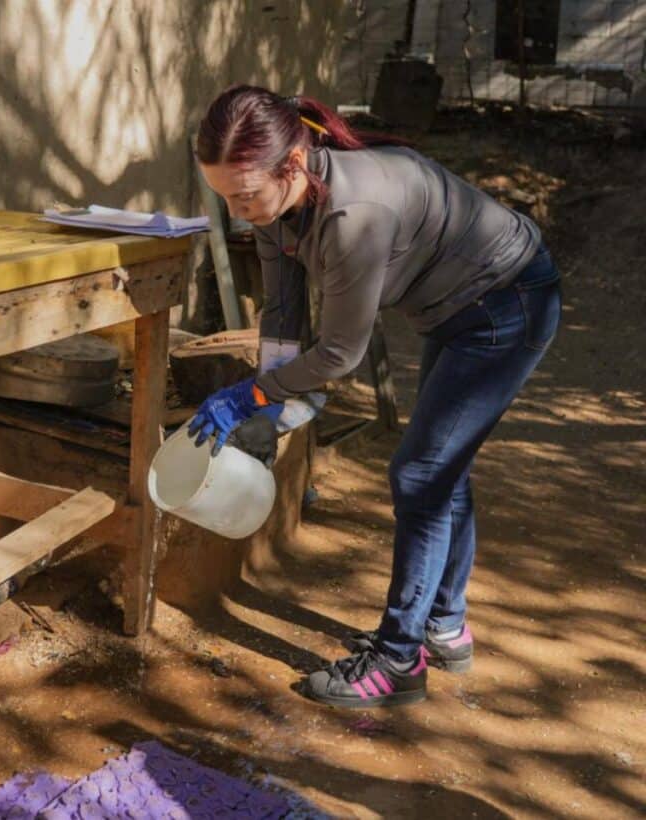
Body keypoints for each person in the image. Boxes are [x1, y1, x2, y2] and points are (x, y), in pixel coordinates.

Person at [188, 85, 562, 708]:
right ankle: (444, 627)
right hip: (457, 310)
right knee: (443, 470)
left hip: (506, 304)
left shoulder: (354, 213)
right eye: (225, 196)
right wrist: (270, 403)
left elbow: (340, 354)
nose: (237, 210)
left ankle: (398, 662)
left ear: (294, 164)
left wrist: (248, 396)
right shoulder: (276, 208)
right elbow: (282, 312)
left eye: (245, 194)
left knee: (421, 473)